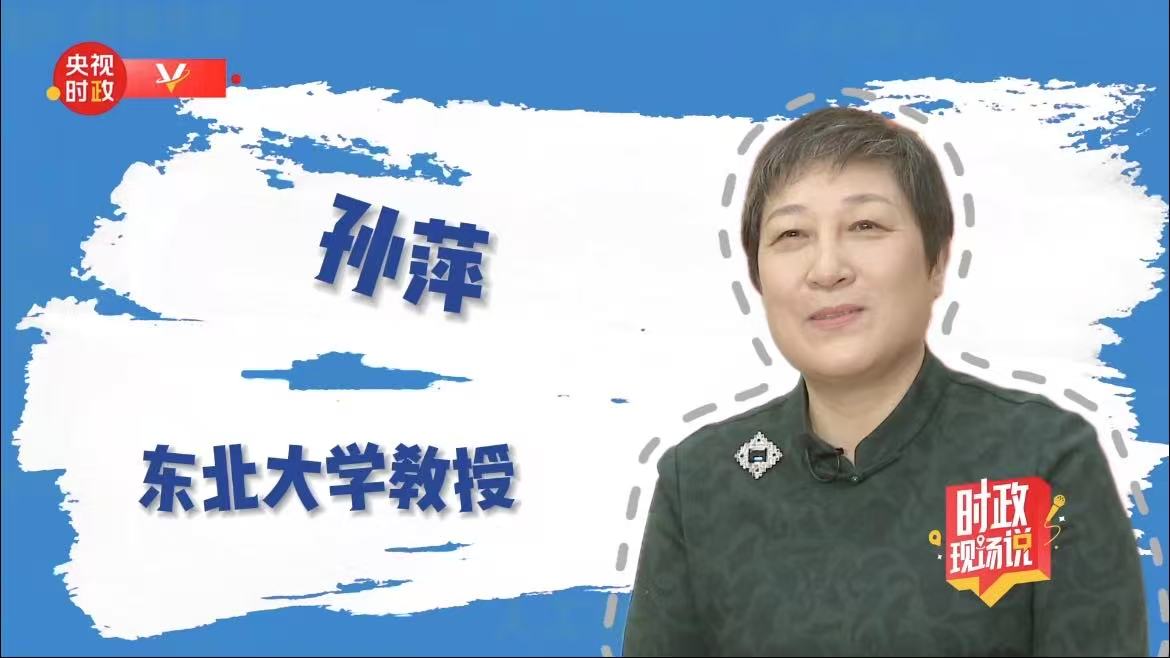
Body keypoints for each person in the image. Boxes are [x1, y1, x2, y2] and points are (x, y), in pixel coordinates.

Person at [622, 107, 1148, 656]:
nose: (827, 269)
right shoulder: (701, 481)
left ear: (936, 261)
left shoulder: (1038, 460)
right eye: (791, 234)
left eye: (865, 226)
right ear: (758, 277)